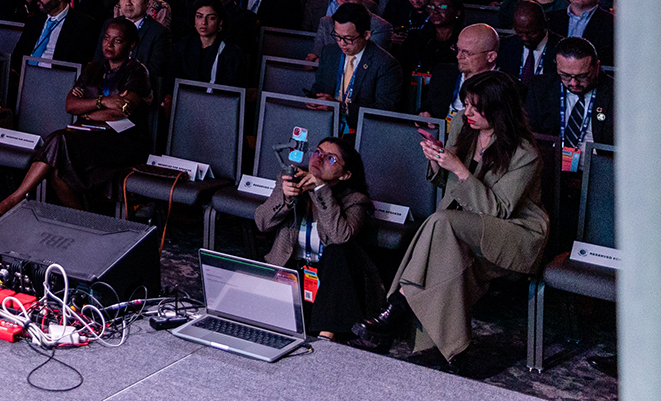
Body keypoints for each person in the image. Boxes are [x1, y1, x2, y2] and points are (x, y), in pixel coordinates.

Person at [353, 72, 549, 364]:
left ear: (498, 109)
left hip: (514, 231)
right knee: (446, 249)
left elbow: (500, 209)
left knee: (440, 221)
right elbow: (448, 183)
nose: (466, 112)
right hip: (461, 225)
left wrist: (459, 169)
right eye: (465, 103)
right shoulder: (462, 124)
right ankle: (458, 351)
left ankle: (396, 308)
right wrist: (436, 157)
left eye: (474, 106)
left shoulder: (525, 153)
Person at [0, 18, 153, 214]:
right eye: (106, 38)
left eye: (117, 41)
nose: (109, 44)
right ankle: (82, 218)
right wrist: (102, 102)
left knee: (59, 140)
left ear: (131, 44)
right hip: (88, 136)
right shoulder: (93, 68)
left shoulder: (137, 72)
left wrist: (88, 110)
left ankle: (14, 199)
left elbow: (121, 111)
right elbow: (70, 105)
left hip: (121, 141)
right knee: (58, 166)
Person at [253, 136, 381, 339]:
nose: (319, 159)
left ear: (345, 175)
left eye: (331, 159)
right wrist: (285, 199)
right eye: (318, 152)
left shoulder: (355, 200)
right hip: (293, 274)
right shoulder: (290, 179)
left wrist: (320, 190)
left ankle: (326, 337)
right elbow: (262, 223)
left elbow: (340, 237)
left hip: (331, 283)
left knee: (338, 251)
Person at [306, 5, 405, 129]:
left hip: (362, 129)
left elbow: (385, 110)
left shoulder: (385, 64)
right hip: (325, 123)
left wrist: (341, 107)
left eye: (348, 38)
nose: (342, 43)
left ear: (366, 35)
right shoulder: (330, 52)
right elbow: (320, 86)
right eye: (337, 36)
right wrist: (315, 99)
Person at [524, 37, 613, 147]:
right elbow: (529, 133)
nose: (574, 83)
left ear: (596, 67)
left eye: (582, 76)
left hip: (598, 160)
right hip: (552, 159)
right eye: (565, 76)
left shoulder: (616, 94)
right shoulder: (540, 88)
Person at [173, 0, 246, 87]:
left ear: (220, 22)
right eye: (199, 16)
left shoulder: (231, 52)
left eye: (211, 18)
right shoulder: (183, 45)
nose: (204, 22)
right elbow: (172, 80)